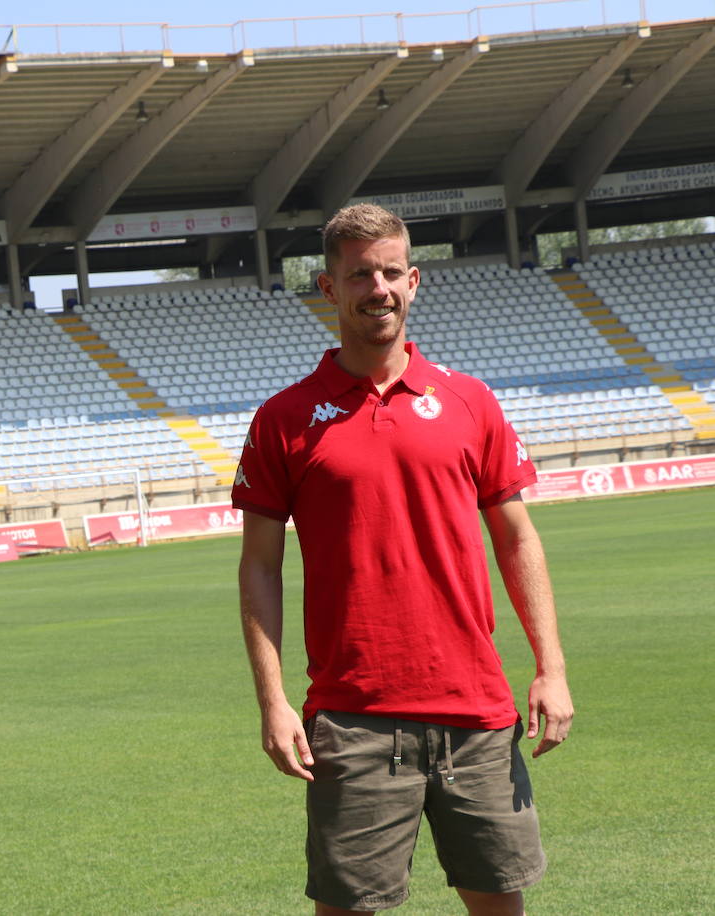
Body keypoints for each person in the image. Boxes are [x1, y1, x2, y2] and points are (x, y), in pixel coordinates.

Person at [233, 203, 573, 915]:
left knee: (499, 906)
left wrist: (551, 668)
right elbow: (260, 565)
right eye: (359, 274)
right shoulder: (284, 419)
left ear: (414, 281)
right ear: (329, 289)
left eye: (391, 272)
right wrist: (271, 700)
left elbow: (517, 538)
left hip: (475, 711)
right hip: (353, 716)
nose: (377, 288)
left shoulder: (469, 401)